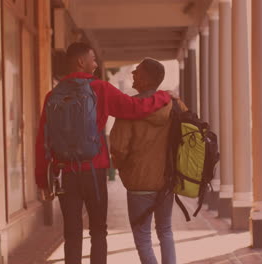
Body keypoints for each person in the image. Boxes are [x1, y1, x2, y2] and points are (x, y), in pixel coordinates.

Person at [34, 43, 171, 264]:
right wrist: (163, 97)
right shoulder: (100, 89)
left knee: (71, 232)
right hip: (94, 171)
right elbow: (135, 108)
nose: (96, 64)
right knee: (98, 231)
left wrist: (42, 179)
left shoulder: (52, 96)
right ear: (81, 62)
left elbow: (43, 140)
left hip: (65, 174)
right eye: (93, 59)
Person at [110, 58, 187, 264]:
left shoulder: (129, 109)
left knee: (143, 237)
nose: (133, 74)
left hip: (139, 182)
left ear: (145, 79)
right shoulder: (173, 105)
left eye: (137, 72)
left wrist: (123, 166)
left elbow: (118, 147)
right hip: (167, 179)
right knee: (165, 231)